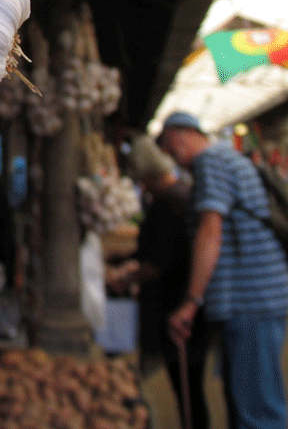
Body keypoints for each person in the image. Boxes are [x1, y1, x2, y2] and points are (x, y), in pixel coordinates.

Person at [159, 112, 288, 429]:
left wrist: (191, 302)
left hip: (252, 301)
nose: (170, 157)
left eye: (168, 147)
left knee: (257, 412)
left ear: (180, 136)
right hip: (252, 300)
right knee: (246, 402)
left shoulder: (212, 161)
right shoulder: (224, 158)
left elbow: (210, 230)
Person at [108, 135, 211, 429]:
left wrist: (126, 277)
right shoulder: (183, 194)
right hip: (188, 307)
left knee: (187, 389)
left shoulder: (167, 205)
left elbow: (157, 264)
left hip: (176, 309)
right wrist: (125, 257)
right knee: (189, 387)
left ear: (147, 175)